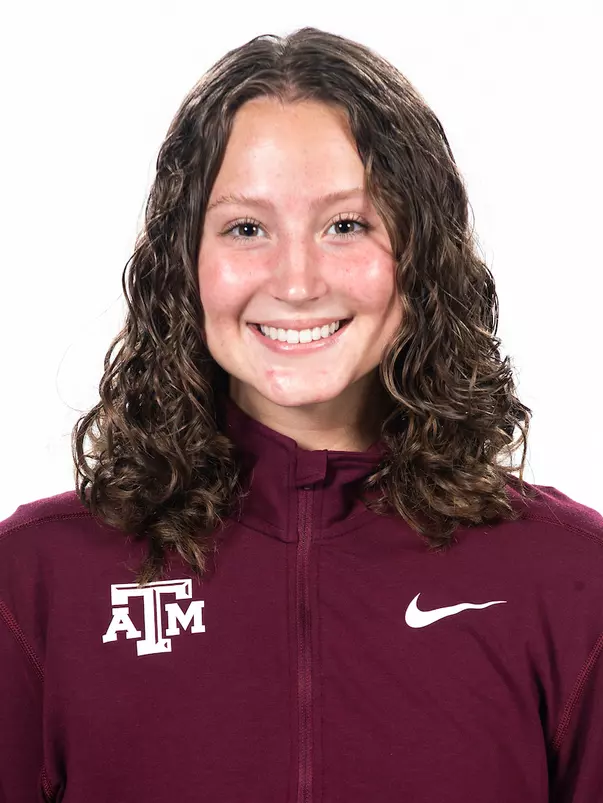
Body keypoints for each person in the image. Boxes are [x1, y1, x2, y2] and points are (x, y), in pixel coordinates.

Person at [0, 26, 601, 803]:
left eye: (345, 224)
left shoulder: (572, 580)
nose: (294, 281)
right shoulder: (35, 582)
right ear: (184, 264)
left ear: (420, 255)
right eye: (245, 228)